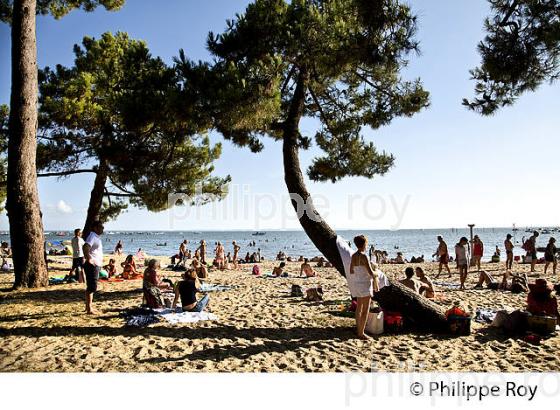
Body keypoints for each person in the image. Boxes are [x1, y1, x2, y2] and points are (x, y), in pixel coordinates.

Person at [346, 235, 379, 340]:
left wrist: (359, 273)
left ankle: (358, 330)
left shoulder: (354, 256)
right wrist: (377, 273)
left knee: (359, 308)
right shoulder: (364, 256)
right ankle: (361, 333)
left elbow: (351, 270)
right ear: (364, 244)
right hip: (365, 284)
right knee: (365, 309)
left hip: (357, 283)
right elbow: (370, 272)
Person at [82, 221, 104, 315]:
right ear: (95, 227)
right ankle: (89, 309)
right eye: (100, 227)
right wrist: (89, 258)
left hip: (96, 265)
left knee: (91, 287)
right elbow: (85, 247)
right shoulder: (92, 236)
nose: (102, 229)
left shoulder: (96, 237)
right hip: (92, 265)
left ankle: (88, 307)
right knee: (92, 287)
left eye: (103, 227)